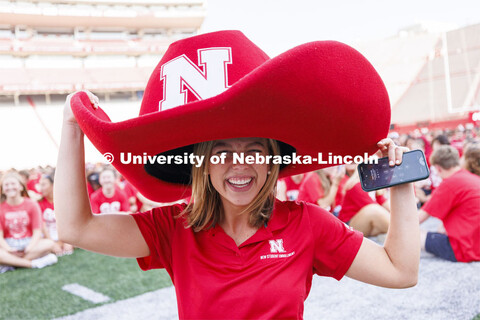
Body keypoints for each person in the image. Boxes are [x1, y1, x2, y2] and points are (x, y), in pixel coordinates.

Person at [55, 31, 419, 319]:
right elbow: (75, 228)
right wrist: (74, 127)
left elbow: (400, 272)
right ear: (201, 163)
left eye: (255, 151)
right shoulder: (171, 228)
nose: (240, 164)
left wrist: (399, 182)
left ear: (273, 160)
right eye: (222, 152)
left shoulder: (308, 224)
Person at [419, 145, 480, 262]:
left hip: (463, 248)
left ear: (438, 168)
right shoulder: (472, 178)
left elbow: (419, 218)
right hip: (476, 243)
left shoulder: (449, 183)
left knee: (412, 236)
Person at [0, 172, 58, 272]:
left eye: (13, 184)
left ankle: (10, 263)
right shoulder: (1, 207)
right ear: (3, 190)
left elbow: (37, 231)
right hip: (9, 244)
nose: (10, 187)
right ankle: (32, 264)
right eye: (6, 185)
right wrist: (9, 249)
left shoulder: (32, 204)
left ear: (21, 187)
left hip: (29, 242)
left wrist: (29, 247)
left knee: (49, 244)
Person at [337, 166, 391, 237]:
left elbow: (388, 208)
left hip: (363, 224)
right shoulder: (357, 186)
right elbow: (377, 211)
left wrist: (380, 194)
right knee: (373, 210)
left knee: (380, 227)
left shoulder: (372, 186)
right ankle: (405, 232)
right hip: (347, 226)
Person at [37, 173, 74, 256]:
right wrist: (52, 244)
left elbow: (70, 223)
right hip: (48, 238)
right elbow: (43, 226)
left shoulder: (64, 200)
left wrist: (68, 241)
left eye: (43, 185)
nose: (40, 188)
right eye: (40, 185)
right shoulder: (39, 204)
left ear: (53, 185)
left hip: (65, 236)